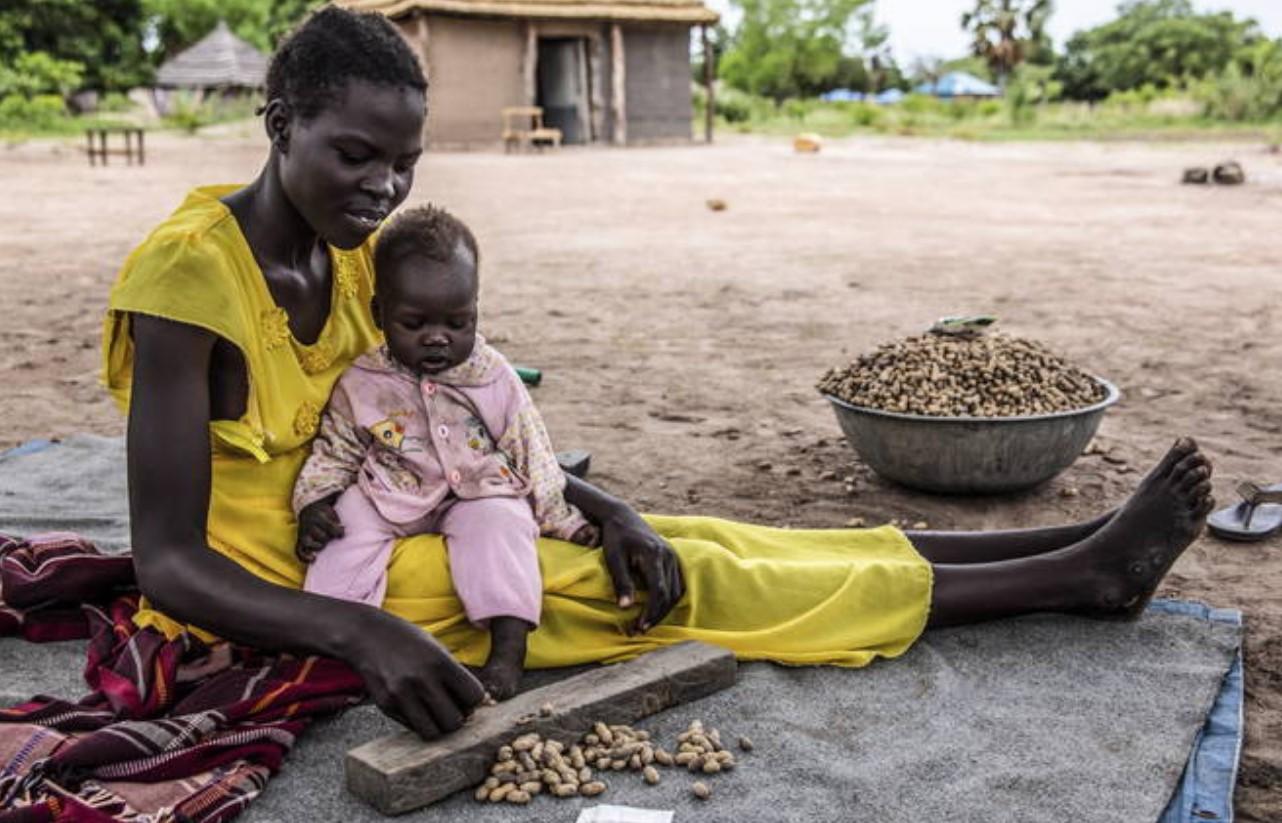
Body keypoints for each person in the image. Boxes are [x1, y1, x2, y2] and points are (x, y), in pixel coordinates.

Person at [104, 5, 1215, 742]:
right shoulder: (189, 278)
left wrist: (603, 501)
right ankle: (1076, 580)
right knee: (693, 586)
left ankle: (1050, 546)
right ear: (279, 120)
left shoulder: (349, 257)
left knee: (685, 532)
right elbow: (167, 564)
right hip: (315, 585)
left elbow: (443, 417)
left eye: (405, 162)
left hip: (425, 516)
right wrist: (362, 633)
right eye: (356, 154)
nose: (385, 188)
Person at [292, 204, 597, 699]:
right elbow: (336, 449)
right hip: (389, 490)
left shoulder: (491, 374)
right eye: (415, 323)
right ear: (379, 315)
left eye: (458, 322)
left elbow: (530, 448)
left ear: (475, 311)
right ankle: (336, 646)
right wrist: (314, 505)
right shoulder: (363, 381)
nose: (438, 337)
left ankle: (506, 651)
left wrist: (562, 519)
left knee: (504, 521)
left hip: (475, 490)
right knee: (343, 530)